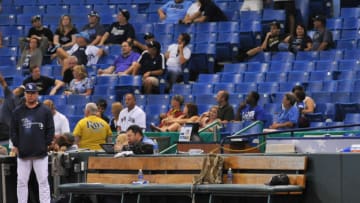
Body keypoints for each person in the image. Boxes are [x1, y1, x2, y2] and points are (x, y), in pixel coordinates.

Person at [10, 83, 54, 203]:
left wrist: (46, 143)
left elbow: (50, 129)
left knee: (43, 181)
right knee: (21, 181)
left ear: (37, 94)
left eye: (33, 93)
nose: (30, 96)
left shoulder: (45, 110)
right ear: (25, 94)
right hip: (23, 153)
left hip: (40, 153)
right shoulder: (17, 111)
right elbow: (13, 130)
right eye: (28, 93)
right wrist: (16, 144)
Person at [0, 73, 23, 141]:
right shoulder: (19, 102)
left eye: (18, 88)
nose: (15, 89)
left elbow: (2, 81)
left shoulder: (11, 95)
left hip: (4, 128)